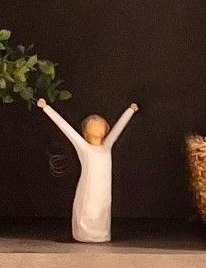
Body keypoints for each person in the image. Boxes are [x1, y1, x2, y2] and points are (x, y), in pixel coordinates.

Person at [37, 98, 138, 243]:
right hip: (89, 188)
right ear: (86, 131)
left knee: (102, 210)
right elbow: (66, 128)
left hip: (104, 189)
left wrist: (130, 111)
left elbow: (118, 129)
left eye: (100, 124)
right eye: (93, 124)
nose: (98, 126)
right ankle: (84, 234)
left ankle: (101, 234)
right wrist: (46, 108)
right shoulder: (84, 147)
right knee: (88, 209)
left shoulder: (106, 146)